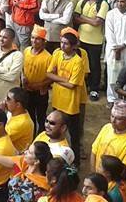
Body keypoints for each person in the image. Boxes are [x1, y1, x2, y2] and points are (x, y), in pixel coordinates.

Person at [46, 29, 86, 158]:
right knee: (56, 130)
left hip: (70, 104)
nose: (62, 46)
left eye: (66, 44)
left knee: (74, 134)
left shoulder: (78, 61)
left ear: (74, 46)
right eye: (62, 42)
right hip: (58, 100)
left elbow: (72, 85)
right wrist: (62, 79)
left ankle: (75, 161)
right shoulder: (57, 54)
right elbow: (48, 73)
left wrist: (56, 78)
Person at [73, 0, 108, 101]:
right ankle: (84, 85)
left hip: (96, 40)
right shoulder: (83, 1)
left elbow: (98, 22)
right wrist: (89, 19)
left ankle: (94, 89)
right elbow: (76, 18)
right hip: (81, 39)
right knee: (82, 64)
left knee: (94, 66)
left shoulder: (103, 4)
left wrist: (83, 17)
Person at [91, 101, 126, 177]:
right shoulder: (106, 127)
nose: (113, 121)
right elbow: (94, 152)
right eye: (112, 116)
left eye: (119, 119)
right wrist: (94, 177)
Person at [22, 26, 52, 134]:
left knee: (41, 116)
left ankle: (41, 136)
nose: (34, 41)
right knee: (29, 116)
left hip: (40, 92)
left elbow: (51, 77)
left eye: (38, 38)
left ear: (44, 41)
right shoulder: (26, 51)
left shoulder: (48, 57)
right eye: (32, 38)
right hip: (27, 90)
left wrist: (39, 85)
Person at [5, 87, 35, 153]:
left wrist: (0, 112)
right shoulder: (15, 112)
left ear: (18, 105)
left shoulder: (21, 122)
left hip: (13, 158)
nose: (5, 100)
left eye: (8, 99)